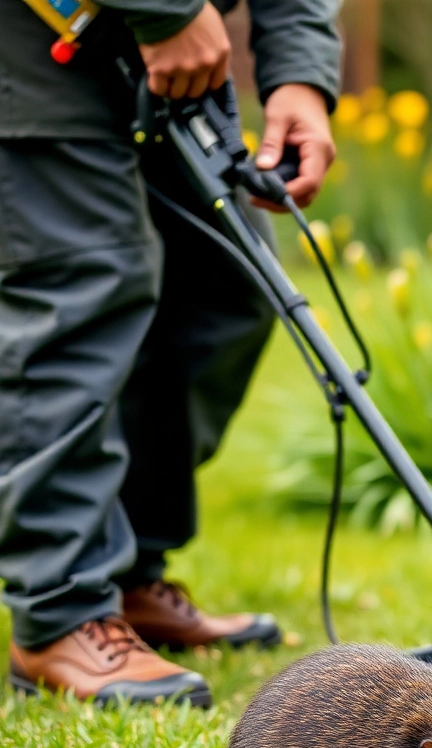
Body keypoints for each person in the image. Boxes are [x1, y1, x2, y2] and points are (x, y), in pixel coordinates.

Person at [0, 0, 340, 707]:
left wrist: (299, 76)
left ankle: (123, 574)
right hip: (38, 33)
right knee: (82, 283)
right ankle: (61, 609)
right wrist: (166, 8)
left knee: (224, 284)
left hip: (176, 49)